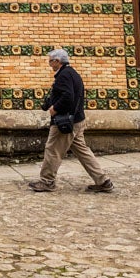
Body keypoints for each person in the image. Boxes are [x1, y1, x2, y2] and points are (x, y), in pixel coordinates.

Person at [28, 48, 114, 193]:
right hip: (77, 120)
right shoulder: (72, 73)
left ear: (57, 61)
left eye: (50, 61)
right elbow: (64, 94)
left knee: (53, 149)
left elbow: (68, 97)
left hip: (65, 122)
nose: (49, 64)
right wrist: (47, 104)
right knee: (82, 151)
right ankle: (103, 181)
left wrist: (54, 108)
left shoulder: (64, 75)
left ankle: (47, 181)